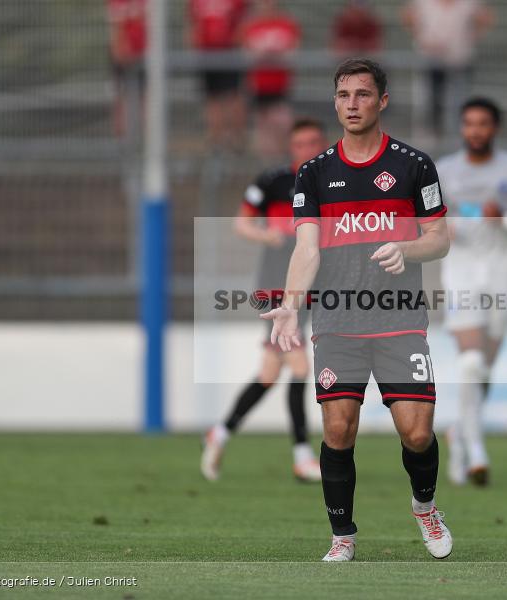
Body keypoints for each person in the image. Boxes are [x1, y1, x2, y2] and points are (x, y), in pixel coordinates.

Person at [261, 58, 452, 562]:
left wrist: (407, 249)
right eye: (344, 95)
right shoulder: (316, 172)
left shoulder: (414, 165)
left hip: (400, 319)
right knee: (339, 429)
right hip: (337, 321)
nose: (352, 104)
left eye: (363, 95)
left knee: (417, 432)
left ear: (382, 101)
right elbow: (307, 249)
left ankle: (425, 506)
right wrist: (289, 305)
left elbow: (439, 238)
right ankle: (342, 537)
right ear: (335, 101)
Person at [201, 119, 330, 483]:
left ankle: (220, 432)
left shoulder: (331, 183)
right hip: (274, 289)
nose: (308, 148)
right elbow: (241, 223)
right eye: (301, 143)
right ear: (292, 147)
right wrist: (269, 235)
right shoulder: (273, 181)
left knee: (270, 374)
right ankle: (303, 455)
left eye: (314, 142)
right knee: (301, 369)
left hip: (307, 289)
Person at [436, 97, 507, 486]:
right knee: (470, 362)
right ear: (462, 129)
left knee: (483, 371)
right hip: (461, 274)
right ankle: (476, 454)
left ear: (495, 128)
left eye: (483, 123)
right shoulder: (444, 171)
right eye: (469, 123)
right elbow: (421, 221)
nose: (476, 130)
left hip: (505, 276)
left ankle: (458, 435)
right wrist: (437, 229)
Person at [402, 0, 494, 136]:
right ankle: (431, 135)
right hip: (431, 59)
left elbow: (485, 17)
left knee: (458, 100)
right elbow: (407, 15)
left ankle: (458, 135)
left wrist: (473, 37)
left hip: (459, 59)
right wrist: (421, 37)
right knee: (431, 100)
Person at [242, 0, 302, 157]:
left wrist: (270, 55)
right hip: (260, 85)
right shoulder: (252, 25)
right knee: (263, 130)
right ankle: (269, 166)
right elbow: (248, 54)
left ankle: (285, 160)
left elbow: (292, 52)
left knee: (282, 125)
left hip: (279, 85)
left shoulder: (286, 23)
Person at [188, 0, 248, 148]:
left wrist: (233, 44)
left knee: (233, 96)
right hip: (207, 53)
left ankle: (236, 138)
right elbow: (193, 24)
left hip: (229, 51)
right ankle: (215, 139)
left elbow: (243, 21)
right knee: (212, 97)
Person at [107, 0, 146, 137]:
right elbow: (115, 25)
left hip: (142, 55)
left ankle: (143, 138)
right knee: (122, 98)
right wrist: (120, 49)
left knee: (144, 97)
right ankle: (122, 140)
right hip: (122, 56)